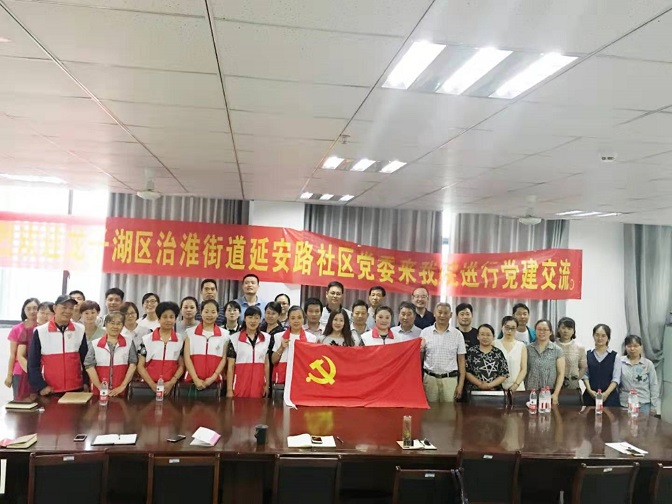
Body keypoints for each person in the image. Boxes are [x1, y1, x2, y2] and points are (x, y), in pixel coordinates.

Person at [28, 295, 88, 395]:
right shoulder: (40, 331)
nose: (68, 311)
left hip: (76, 388)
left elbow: (85, 359)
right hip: (50, 390)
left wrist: (86, 382)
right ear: (55, 308)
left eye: (71, 308)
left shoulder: (80, 329)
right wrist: (41, 386)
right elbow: (32, 363)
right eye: (64, 307)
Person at [420, 303, 466, 402]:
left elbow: (461, 361)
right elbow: (420, 358)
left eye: (446, 313)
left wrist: (460, 385)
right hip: (430, 379)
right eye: (440, 312)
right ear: (434, 313)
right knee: (431, 410)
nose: (442, 315)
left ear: (451, 315)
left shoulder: (457, 334)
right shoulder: (425, 332)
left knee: (449, 410)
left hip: (450, 380)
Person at [84, 312, 138, 397]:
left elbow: (133, 364)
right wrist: (100, 387)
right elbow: (89, 366)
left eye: (119, 324)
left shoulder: (129, 342)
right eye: (112, 323)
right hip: (99, 391)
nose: (115, 326)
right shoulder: (95, 344)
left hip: (122, 391)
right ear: (106, 324)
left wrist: (122, 386)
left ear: (123, 326)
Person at [137, 302, 184, 397]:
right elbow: (140, 366)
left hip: (171, 387)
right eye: (165, 317)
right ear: (158, 319)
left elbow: (182, 366)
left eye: (171, 317)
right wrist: (152, 384)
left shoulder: (180, 340)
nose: (168, 320)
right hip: (148, 386)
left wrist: (171, 382)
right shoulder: (146, 339)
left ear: (175, 319)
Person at [183, 300, 229, 391]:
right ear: (201, 312)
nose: (209, 315)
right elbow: (186, 357)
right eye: (206, 311)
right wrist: (195, 379)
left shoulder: (225, 334)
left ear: (217, 314)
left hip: (215, 382)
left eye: (213, 312)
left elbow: (224, 358)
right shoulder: (190, 333)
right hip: (192, 381)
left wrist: (213, 377)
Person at [226, 306, 271, 398]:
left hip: (259, 384)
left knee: (258, 406)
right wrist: (229, 389)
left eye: (256, 318)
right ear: (245, 319)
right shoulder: (234, 339)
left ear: (260, 320)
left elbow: (266, 364)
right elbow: (230, 366)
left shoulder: (266, 338)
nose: (253, 321)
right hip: (240, 384)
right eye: (250, 317)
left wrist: (267, 385)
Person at [271, 306, 317, 387]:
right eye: (293, 318)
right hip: (283, 380)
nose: (296, 321)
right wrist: (281, 348)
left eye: (299, 318)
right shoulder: (278, 336)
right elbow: (273, 360)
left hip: (303, 379)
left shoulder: (311, 338)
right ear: (288, 319)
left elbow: (313, 362)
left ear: (303, 319)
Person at [5, 298, 39, 399]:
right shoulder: (17, 329)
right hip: (19, 372)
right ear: (24, 311)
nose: (32, 311)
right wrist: (9, 375)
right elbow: (13, 354)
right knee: (20, 402)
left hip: (38, 372)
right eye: (28, 309)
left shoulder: (42, 327)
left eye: (35, 308)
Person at [525, 320, 565, 405]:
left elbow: (561, 374)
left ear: (550, 332)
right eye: (539, 329)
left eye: (545, 329)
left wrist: (556, 394)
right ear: (535, 331)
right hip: (530, 392)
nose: (542, 332)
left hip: (548, 392)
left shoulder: (557, 350)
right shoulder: (528, 348)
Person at [619, 335, 660, 416]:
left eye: (635, 346)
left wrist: (653, 406)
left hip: (643, 404)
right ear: (625, 347)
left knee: (642, 424)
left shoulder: (648, 364)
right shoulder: (620, 362)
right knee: (624, 424)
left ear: (641, 347)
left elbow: (654, 385)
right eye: (629, 346)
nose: (632, 349)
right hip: (624, 404)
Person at [582, 323, 621, 407]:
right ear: (593, 336)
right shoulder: (587, 354)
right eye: (597, 335)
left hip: (610, 398)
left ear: (608, 338)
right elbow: (585, 375)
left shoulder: (615, 356)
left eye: (603, 336)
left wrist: (606, 394)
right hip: (590, 396)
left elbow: (616, 378)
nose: (600, 338)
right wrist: (589, 390)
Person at [465, 324, 509, 391]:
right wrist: (480, 384)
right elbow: (466, 371)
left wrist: (489, 385)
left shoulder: (498, 353)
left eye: (488, 335)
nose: (485, 337)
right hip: (474, 391)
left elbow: (504, 374)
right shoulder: (471, 351)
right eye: (482, 334)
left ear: (493, 337)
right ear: (477, 336)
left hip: (495, 391)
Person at [494, 316, 527, 391]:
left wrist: (516, 385)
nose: (509, 331)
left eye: (513, 328)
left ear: (516, 329)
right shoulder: (494, 344)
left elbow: (524, 369)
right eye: (507, 327)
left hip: (518, 387)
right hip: (498, 387)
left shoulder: (521, 345)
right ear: (502, 327)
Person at [555, 317, 587, 390]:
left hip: (573, 386)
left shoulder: (579, 347)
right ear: (558, 329)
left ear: (573, 331)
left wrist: (575, 379)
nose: (566, 331)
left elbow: (583, 367)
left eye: (569, 329)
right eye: (563, 328)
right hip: (554, 385)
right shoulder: (553, 346)